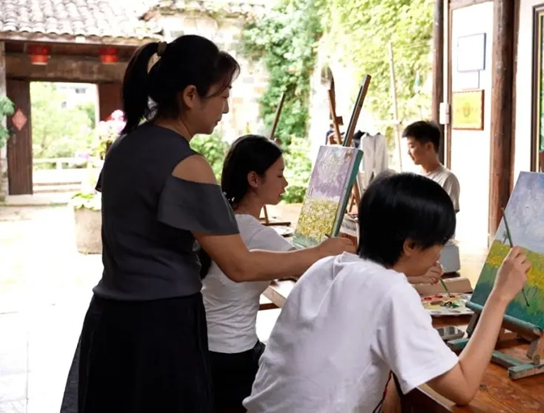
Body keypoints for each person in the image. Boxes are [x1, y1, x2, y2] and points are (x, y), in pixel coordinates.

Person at [61, 35, 353, 413]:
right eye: (222, 95)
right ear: (190, 95)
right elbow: (239, 265)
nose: (226, 108)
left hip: (111, 316)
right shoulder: (186, 164)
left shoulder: (123, 146)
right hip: (160, 324)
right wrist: (319, 253)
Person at [243, 173, 532, 412]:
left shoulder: (325, 267)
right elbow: (464, 388)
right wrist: (499, 296)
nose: (440, 252)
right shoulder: (391, 292)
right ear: (410, 245)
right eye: (440, 242)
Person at [199, 135, 430, 411]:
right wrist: (407, 272)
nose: (285, 183)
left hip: (211, 344)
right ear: (254, 179)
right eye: (279, 175)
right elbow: (323, 269)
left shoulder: (228, 223)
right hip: (230, 354)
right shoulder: (254, 232)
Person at [402, 120, 460, 212]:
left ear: (429, 146)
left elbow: (449, 216)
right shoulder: (413, 177)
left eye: (412, 146)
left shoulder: (447, 179)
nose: (408, 152)